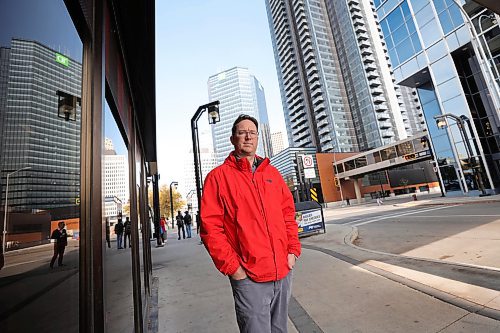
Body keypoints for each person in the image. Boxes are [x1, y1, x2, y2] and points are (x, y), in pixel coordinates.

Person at [201, 114, 301, 333]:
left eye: (252, 132)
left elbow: (288, 215)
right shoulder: (217, 178)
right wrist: (234, 268)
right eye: (241, 132)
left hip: (282, 273)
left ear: (258, 138)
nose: (248, 136)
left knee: (280, 330)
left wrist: (292, 251)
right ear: (232, 139)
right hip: (249, 277)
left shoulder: (273, 174)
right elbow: (210, 229)